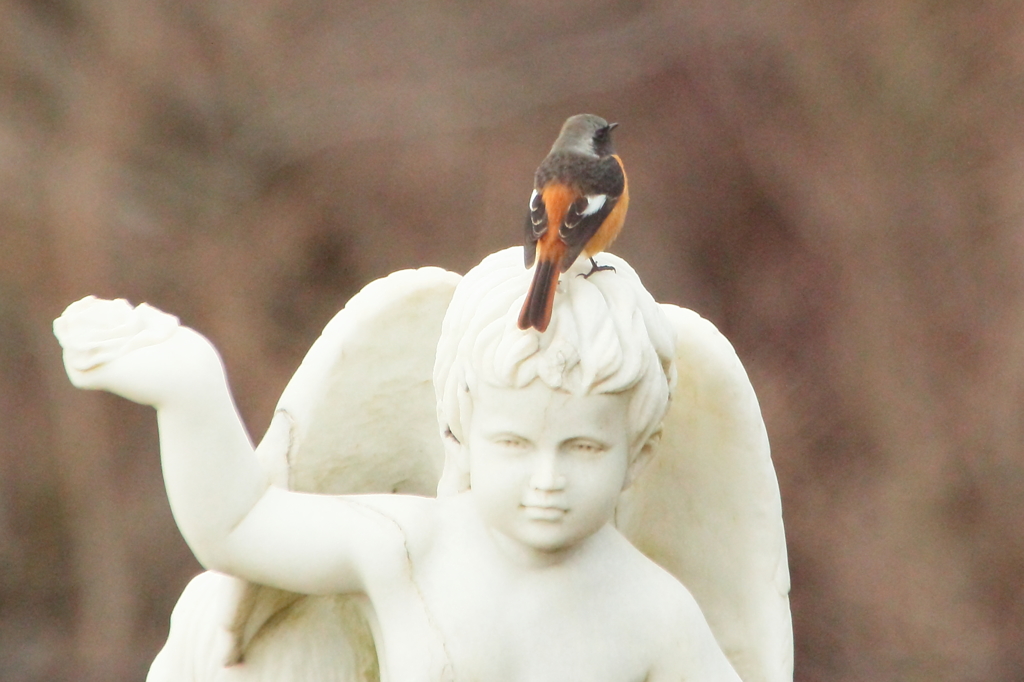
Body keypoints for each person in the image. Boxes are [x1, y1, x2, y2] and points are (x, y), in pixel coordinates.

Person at [55, 248, 742, 682]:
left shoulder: (657, 616)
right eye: (513, 444)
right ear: (459, 428)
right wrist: (191, 389)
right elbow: (236, 526)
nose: (546, 482)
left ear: (639, 453)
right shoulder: (416, 547)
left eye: (584, 448)